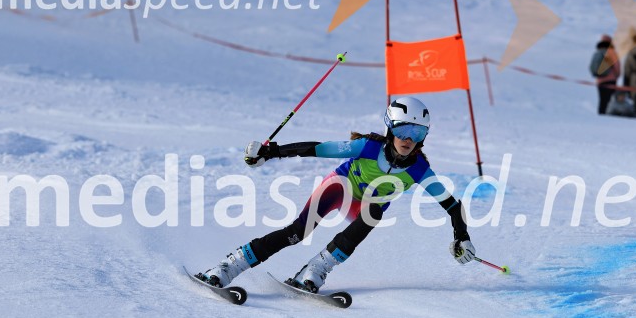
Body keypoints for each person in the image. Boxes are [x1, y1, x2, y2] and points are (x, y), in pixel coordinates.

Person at [195, 96, 476, 293]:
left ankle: (315, 269)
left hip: (364, 208)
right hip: (338, 188)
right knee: (297, 232)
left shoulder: (419, 169)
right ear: (390, 128)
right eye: (403, 129)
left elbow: (452, 205)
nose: (408, 139)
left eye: (417, 131)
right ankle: (228, 267)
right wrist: (271, 152)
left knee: (374, 212)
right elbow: (318, 148)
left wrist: (461, 235)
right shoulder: (366, 147)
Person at [589, 34, 621, 115]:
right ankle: (609, 116)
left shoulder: (597, 52)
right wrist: (616, 75)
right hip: (611, 80)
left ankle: (601, 115)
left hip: (600, 81)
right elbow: (617, 66)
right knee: (610, 100)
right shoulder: (611, 52)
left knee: (602, 99)